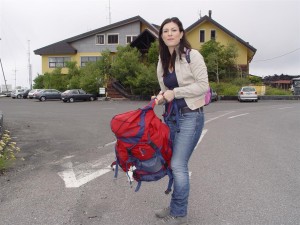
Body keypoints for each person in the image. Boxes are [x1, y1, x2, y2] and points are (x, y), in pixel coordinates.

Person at [154, 17, 209, 225]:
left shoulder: (192, 56)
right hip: (171, 117)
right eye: (165, 30)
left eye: (173, 30)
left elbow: (203, 85)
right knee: (172, 162)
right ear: (161, 35)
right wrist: (160, 97)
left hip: (191, 115)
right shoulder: (162, 60)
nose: (169, 33)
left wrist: (174, 93)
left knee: (178, 164)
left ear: (181, 33)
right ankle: (176, 206)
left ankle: (179, 214)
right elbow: (165, 89)